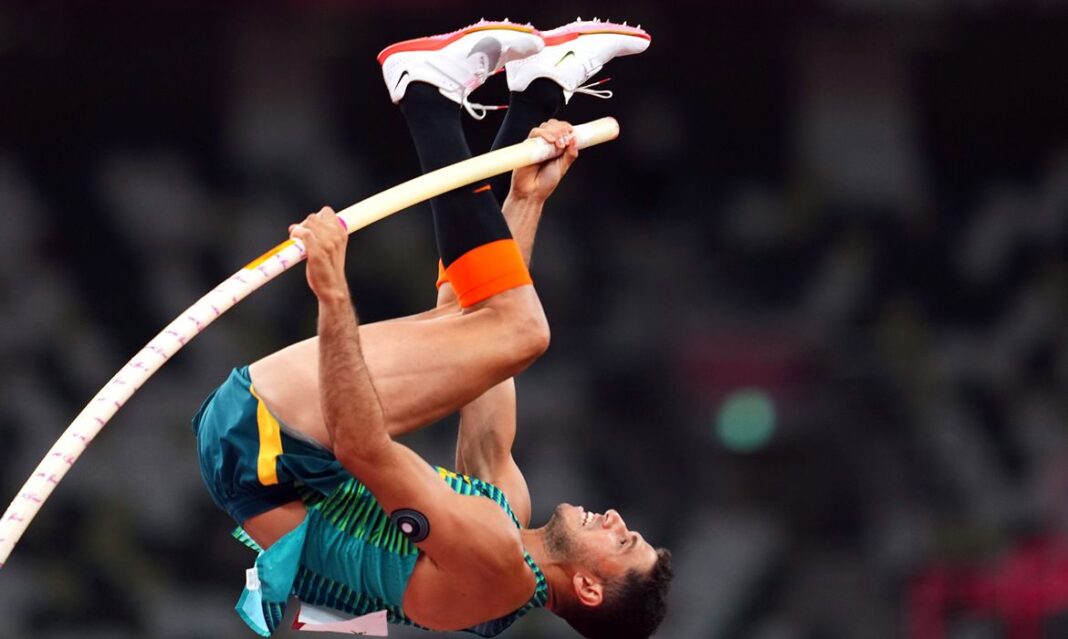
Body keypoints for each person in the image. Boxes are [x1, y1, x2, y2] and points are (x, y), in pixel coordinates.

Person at [192, 20, 672, 639]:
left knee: (526, 336)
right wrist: (527, 200)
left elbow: (362, 448)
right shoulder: (506, 522)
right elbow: (473, 318)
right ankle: (535, 90)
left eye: (624, 538)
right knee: (495, 333)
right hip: (263, 449)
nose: (614, 516)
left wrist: (334, 297)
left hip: (267, 451)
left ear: (587, 587)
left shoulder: (494, 570)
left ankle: (424, 93)